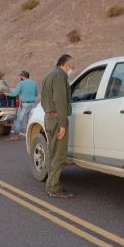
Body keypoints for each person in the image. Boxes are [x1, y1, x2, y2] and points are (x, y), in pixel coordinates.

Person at [40, 54, 76, 198]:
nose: (72, 69)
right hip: (57, 120)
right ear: (66, 65)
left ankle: (51, 184)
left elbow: (43, 100)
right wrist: (62, 124)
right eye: (72, 66)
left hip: (49, 118)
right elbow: (60, 101)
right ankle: (54, 188)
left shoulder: (48, 75)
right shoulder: (60, 76)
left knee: (52, 152)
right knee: (59, 155)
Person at [6, 70, 39, 141]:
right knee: (30, 121)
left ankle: (16, 136)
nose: (20, 77)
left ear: (23, 76)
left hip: (24, 104)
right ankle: (30, 137)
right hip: (33, 104)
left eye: (20, 76)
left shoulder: (21, 83)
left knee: (19, 120)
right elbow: (37, 94)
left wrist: (7, 94)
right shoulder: (34, 83)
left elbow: (15, 94)